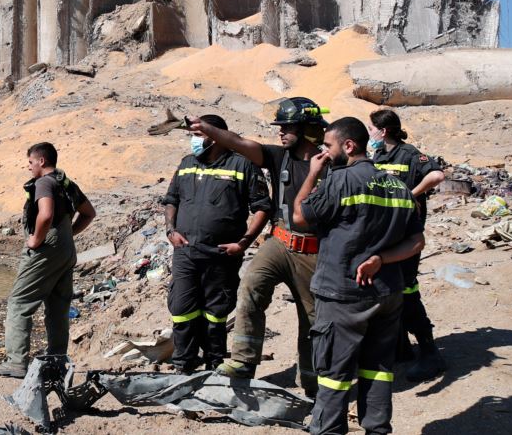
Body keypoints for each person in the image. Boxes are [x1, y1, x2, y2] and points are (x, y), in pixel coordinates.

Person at [292, 117, 425, 435]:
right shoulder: (397, 186)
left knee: (333, 373)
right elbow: (416, 241)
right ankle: (377, 429)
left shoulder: (340, 181)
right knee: (378, 370)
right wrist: (382, 259)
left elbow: (299, 216)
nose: (323, 152)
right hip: (387, 294)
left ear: (348, 145)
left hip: (343, 294)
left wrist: (312, 174)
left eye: (327, 146)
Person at [192, 96, 328, 397]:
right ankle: (242, 362)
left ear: (306, 128)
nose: (280, 132)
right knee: (251, 287)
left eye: (287, 127)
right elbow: (239, 141)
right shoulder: (280, 157)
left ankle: (312, 384)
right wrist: (206, 128)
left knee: (313, 320)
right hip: (279, 242)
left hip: (314, 251)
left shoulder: (330, 165)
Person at [162, 115, 271, 373]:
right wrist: (170, 231)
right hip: (185, 254)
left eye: (200, 135)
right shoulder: (187, 164)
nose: (194, 141)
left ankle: (214, 366)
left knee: (215, 314)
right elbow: (171, 199)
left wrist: (243, 243)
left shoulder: (242, 165)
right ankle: (184, 366)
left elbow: (262, 208)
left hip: (221, 256)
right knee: (182, 311)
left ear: (218, 136)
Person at [0, 142, 96, 378]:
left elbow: (46, 214)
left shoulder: (44, 183)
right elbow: (89, 213)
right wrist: (68, 234)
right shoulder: (66, 183)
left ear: (41, 161)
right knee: (58, 307)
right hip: (67, 250)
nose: (28, 167)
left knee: (19, 302)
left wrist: (36, 239)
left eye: (30, 162)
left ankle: (16, 363)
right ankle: (57, 361)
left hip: (47, 248)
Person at [369, 109, 447, 380]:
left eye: (372, 129)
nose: (370, 135)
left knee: (407, 291)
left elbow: (437, 176)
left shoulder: (410, 155)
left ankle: (429, 352)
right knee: (388, 292)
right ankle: (400, 348)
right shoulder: (378, 157)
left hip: (405, 237)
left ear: (384, 131)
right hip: (383, 235)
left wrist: (410, 195)